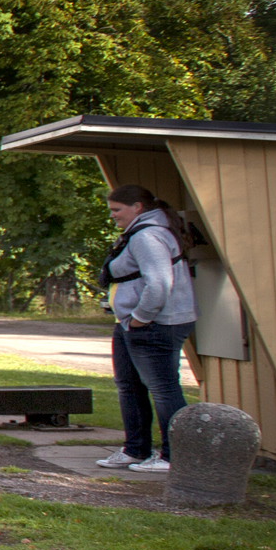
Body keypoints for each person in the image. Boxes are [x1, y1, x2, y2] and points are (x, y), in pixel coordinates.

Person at [99, 183, 196, 471]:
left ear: (137, 207)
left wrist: (141, 317)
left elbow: (160, 283)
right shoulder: (142, 233)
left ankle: (173, 456)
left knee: (163, 388)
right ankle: (135, 450)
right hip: (131, 323)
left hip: (154, 324)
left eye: (117, 210)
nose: (113, 216)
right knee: (129, 387)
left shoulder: (148, 236)